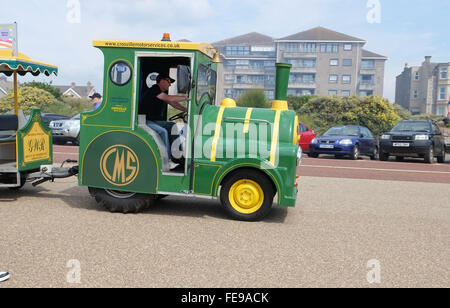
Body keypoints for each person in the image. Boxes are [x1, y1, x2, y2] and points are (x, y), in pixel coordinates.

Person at [139, 73, 187, 169]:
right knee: (163, 131)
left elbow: (173, 103)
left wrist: (186, 110)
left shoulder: (160, 93)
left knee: (173, 126)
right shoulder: (154, 89)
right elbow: (169, 98)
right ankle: (167, 161)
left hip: (153, 120)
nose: (170, 85)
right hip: (144, 121)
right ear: (161, 81)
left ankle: (178, 157)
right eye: (169, 82)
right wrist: (187, 98)